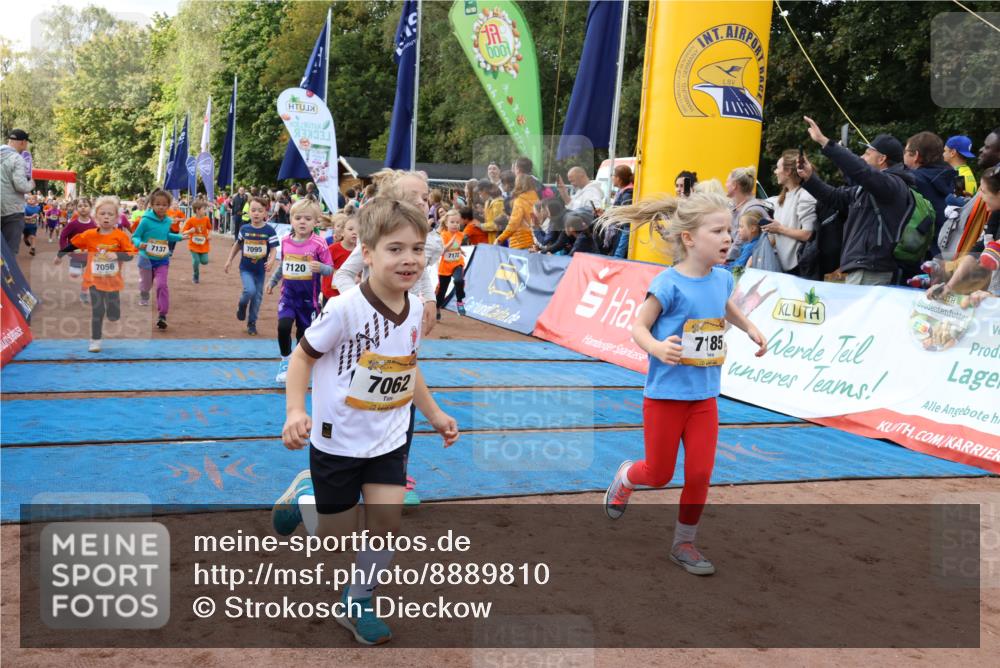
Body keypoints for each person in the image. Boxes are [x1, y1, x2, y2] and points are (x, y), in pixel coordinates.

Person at [274, 197, 459, 645]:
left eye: (417, 249)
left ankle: (357, 600)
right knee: (334, 539)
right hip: (338, 440)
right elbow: (301, 359)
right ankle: (306, 493)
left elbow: (406, 367)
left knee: (386, 524)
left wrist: (434, 414)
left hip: (389, 437)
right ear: (368, 254)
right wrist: (296, 411)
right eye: (396, 249)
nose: (409, 259)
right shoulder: (343, 309)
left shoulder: (415, 309)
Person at [603, 191, 767, 576]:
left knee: (698, 474)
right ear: (690, 239)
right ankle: (627, 476)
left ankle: (685, 543)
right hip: (664, 397)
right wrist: (658, 348)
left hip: (704, 397)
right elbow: (638, 327)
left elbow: (726, 306)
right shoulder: (668, 284)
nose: (728, 238)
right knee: (659, 474)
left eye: (729, 230)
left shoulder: (724, 279)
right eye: (718, 231)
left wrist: (750, 327)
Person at [798, 117, 915, 286]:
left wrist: (824, 141)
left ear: (882, 159)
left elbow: (861, 171)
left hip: (871, 269)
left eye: (867, 154)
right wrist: (809, 178)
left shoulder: (892, 184)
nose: (862, 156)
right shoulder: (871, 188)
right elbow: (835, 197)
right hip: (863, 267)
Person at [333, 169, 438, 337]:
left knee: (405, 361)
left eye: (425, 198)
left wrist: (430, 298)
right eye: (412, 197)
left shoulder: (422, 236)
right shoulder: (379, 237)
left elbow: (421, 269)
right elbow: (343, 275)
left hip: (407, 318)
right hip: (373, 325)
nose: (421, 203)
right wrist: (361, 305)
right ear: (393, 201)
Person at [54, 196, 137, 352]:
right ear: (96, 216)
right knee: (97, 311)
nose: (106, 217)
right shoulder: (90, 234)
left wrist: (117, 255)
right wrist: (60, 255)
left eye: (110, 214)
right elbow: (73, 244)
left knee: (113, 315)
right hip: (94, 280)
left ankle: (113, 313)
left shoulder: (120, 236)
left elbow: (131, 254)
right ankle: (95, 340)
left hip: (113, 281)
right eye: (102, 213)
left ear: (117, 217)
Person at [267, 198, 334, 383]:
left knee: (303, 334)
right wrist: (272, 281)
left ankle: (299, 363)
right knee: (283, 327)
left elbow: (330, 269)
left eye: (307, 218)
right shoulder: (286, 240)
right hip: (288, 297)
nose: (302, 222)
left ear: (315, 222)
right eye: (298, 218)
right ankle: (285, 361)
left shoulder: (319, 243)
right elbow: (284, 265)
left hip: (309, 300)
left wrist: (320, 267)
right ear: (291, 220)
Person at [132, 189, 189, 329]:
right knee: (146, 285)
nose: (161, 207)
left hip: (162, 259)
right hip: (146, 258)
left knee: (162, 285)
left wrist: (180, 237)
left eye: (164, 204)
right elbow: (135, 236)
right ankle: (144, 293)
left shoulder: (167, 221)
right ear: (152, 204)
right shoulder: (145, 220)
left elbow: (166, 236)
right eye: (158, 204)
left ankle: (162, 314)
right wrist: (140, 244)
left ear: (168, 206)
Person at [941, 127, 1000, 259]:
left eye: (987, 147)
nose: (981, 150)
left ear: (953, 152)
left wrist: (956, 202)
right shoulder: (969, 173)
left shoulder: (959, 175)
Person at [224, 196, 278, 336]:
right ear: (248, 212)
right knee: (249, 291)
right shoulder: (244, 229)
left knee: (257, 297)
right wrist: (229, 260)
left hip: (260, 271)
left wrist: (271, 261)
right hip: (246, 269)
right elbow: (237, 245)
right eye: (253, 210)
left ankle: (252, 323)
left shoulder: (269, 231)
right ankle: (242, 306)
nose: (256, 213)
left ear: (265, 213)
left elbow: (273, 249)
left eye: (260, 210)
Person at [763, 149, 817, 274]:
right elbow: (776, 237)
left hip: (801, 269)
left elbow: (808, 234)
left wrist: (779, 229)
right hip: (784, 268)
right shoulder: (782, 198)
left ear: (788, 171)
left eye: (777, 168)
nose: (775, 171)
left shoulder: (805, 196)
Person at [904, 131, 956, 258]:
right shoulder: (949, 174)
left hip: (924, 250)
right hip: (949, 245)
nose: (903, 155)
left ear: (916, 155)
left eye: (905, 151)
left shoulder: (914, 179)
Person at [724, 166, 769, 263]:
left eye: (727, 182)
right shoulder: (735, 206)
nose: (725, 185)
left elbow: (740, 241)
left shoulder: (752, 209)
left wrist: (725, 258)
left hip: (751, 264)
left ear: (735, 185)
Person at [1, 129, 36, 255]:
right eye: (26, 143)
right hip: (12, 211)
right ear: (22, 142)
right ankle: (7, 275)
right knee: (9, 252)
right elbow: (21, 186)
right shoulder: (17, 158)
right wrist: (31, 183)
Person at [60, 198, 97, 304]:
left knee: (89, 276)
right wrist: (65, 249)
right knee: (75, 274)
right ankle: (78, 271)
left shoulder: (94, 224)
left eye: (85, 205)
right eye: (80, 206)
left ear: (90, 208)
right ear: (76, 209)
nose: (83, 208)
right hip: (76, 255)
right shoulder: (73, 224)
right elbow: (63, 235)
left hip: (90, 255)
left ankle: (84, 293)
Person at [321, 215, 358, 303]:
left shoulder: (359, 251)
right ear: (342, 232)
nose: (355, 232)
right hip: (330, 293)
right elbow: (324, 269)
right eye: (350, 229)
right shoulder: (332, 249)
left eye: (358, 230)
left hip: (348, 293)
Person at [495, 173, 537, 250]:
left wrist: (500, 238)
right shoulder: (538, 199)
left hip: (521, 242)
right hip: (535, 242)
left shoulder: (519, 201)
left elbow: (513, 224)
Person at [437, 209, 467, 318]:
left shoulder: (460, 234)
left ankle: (460, 302)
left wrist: (460, 250)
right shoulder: (443, 235)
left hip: (457, 263)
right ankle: (437, 308)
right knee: (442, 291)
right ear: (446, 223)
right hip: (445, 267)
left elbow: (457, 245)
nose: (455, 225)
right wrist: (451, 241)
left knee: (459, 280)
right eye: (452, 222)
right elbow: (442, 251)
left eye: (457, 222)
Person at [183, 199, 212, 284]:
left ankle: (199, 261)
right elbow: (183, 232)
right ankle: (196, 275)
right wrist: (189, 231)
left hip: (203, 244)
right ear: (197, 210)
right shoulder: (191, 220)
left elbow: (210, 228)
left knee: (205, 261)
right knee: (196, 261)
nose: (205, 211)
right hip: (193, 245)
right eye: (203, 209)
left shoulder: (206, 219)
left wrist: (209, 235)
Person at [477, 179, 505, 243]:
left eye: (480, 191)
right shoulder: (487, 202)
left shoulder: (499, 203)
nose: (479, 193)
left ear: (485, 190)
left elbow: (498, 225)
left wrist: (481, 226)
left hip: (499, 240)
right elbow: (490, 219)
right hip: (491, 239)